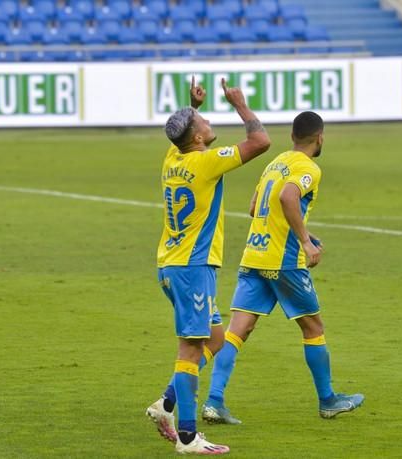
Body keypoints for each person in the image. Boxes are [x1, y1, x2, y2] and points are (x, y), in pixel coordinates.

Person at [201, 111, 364, 425]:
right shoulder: (309, 168)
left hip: (254, 255)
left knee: (237, 331)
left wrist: (300, 230)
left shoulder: (275, 162)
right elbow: (288, 195)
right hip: (283, 261)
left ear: (291, 137)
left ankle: (214, 401)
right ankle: (328, 400)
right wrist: (304, 240)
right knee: (313, 328)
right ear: (320, 138)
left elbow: (253, 208)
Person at [146, 76, 270, 455]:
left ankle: (164, 405)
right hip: (192, 268)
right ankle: (186, 436)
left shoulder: (175, 157)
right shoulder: (206, 163)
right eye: (205, 125)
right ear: (197, 139)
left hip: (172, 263)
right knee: (189, 349)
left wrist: (192, 109)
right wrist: (240, 104)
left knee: (214, 341)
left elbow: (182, 135)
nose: (210, 127)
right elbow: (261, 142)